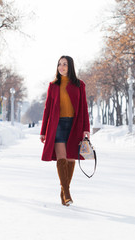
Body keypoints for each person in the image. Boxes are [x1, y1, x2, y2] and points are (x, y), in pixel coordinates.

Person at [40, 55, 90, 206]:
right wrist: (43, 131)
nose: (61, 67)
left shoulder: (80, 85)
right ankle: (67, 193)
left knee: (70, 159)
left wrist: (86, 129)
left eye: (65, 64)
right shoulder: (53, 85)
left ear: (71, 67)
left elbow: (84, 108)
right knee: (61, 158)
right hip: (57, 125)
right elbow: (47, 109)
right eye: (59, 64)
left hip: (74, 125)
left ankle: (64, 192)